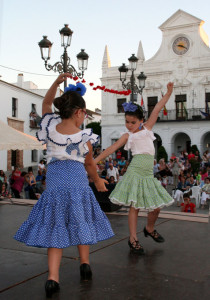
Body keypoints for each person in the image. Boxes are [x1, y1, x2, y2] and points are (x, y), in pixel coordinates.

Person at [14, 73, 114, 297]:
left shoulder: (50, 127)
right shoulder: (83, 136)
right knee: (82, 224)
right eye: (85, 114)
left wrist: (57, 82)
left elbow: (46, 103)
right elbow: (89, 164)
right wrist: (98, 181)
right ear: (79, 112)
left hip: (56, 187)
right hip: (78, 186)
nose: (85, 118)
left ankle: (52, 278)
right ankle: (85, 264)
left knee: (54, 231)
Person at [95, 82, 174, 254]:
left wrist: (168, 93)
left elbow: (157, 108)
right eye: (127, 122)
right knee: (134, 206)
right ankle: (133, 239)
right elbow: (111, 149)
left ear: (141, 121)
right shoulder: (127, 136)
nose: (129, 125)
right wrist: (95, 161)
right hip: (136, 170)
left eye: (132, 122)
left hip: (147, 173)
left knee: (157, 206)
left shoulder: (147, 129)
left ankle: (149, 228)